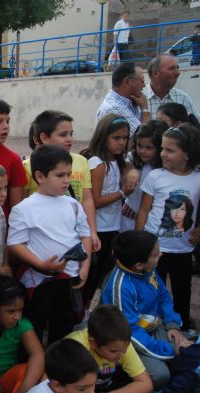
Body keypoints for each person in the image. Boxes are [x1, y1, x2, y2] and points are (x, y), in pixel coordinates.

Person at [8, 144, 92, 344]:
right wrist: (40, 264)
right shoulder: (24, 208)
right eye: (60, 175)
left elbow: (85, 236)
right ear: (40, 176)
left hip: (70, 278)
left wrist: (85, 267)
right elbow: (15, 244)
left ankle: (58, 367)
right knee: (34, 327)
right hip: (39, 281)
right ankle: (33, 367)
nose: (66, 180)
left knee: (63, 328)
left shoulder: (73, 204)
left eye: (69, 174)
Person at [101, 230, 193, 389]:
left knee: (186, 354)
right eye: (156, 255)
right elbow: (129, 333)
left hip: (150, 327)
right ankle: (122, 376)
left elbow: (163, 296)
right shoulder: (121, 287)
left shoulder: (146, 269)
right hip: (125, 339)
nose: (161, 254)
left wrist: (172, 325)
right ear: (138, 264)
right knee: (161, 375)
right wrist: (170, 349)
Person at [135, 123, 200, 332]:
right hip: (156, 247)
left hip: (183, 248)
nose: (162, 154)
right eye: (162, 148)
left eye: (170, 150)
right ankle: (152, 324)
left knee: (183, 288)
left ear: (187, 154)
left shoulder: (199, 176)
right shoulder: (156, 176)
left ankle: (182, 324)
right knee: (152, 286)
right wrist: (139, 241)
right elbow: (144, 210)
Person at [24, 110, 100, 252]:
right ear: (44, 138)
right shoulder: (27, 166)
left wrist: (92, 233)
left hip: (75, 232)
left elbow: (87, 199)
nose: (69, 139)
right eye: (63, 135)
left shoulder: (81, 161)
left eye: (71, 134)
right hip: (42, 236)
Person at [66, 305, 154, 393]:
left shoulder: (121, 346)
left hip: (104, 392)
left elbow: (146, 384)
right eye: (113, 351)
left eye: (124, 349)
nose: (121, 354)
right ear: (93, 343)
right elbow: (53, 385)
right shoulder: (75, 346)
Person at [80, 115, 134, 307]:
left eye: (125, 138)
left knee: (106, 272)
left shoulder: (117, 162)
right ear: (103, 137)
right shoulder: (98, 163)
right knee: (93, 275)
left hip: (113, 226)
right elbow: (95, 200)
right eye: (116, 138)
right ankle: (83, 310)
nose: (121, 143)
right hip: (100, 228)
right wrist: (122, 193)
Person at [121, 120, 167, 231]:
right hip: (128, 220)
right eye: (139, 146)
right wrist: (131, 170)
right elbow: (124, 181)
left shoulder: (164, 167)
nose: (142, 151)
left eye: (149, 147)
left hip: (154, 225)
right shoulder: (132, 158)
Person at [142, 54, 200, 126]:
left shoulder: (182, 97)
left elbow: (198, 125)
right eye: (172, 68)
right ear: (155, 73)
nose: (178, 73)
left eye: (177, 68)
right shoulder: (140, 97)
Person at [96, 62, 150, 136]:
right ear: (127, 81)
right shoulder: (114, 108)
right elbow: (144, 138)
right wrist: (145, 110)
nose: (144, 85)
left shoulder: (133, 101)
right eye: (142, 81)